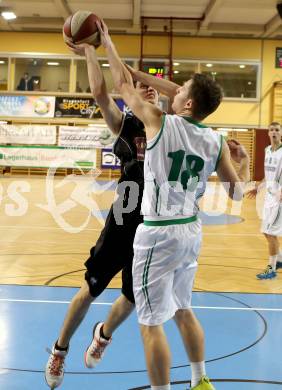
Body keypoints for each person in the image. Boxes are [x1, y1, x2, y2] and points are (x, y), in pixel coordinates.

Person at [97, 19, 250, 390]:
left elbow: (121, 87)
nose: (173, 91)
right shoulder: (216, 140)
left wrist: (106, 41)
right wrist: (242, 164)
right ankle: (200, 380)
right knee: (183, 310)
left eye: (180, 90)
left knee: (150, 324)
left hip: (158, 234)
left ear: (189, 103)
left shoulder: (159, 123)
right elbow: (237, 195)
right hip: (191, 233)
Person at [45, 42, 159, 389]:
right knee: (90, 288)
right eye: (141, 85)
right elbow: (98, 92)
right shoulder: (124, 125)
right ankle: (59, 351)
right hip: (123, 219)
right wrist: (90, 50)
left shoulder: (170, 128)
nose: (149, 88)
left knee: (132, 297)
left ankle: (103, 336)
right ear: (131, 94)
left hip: (154, 226)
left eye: (154, 86)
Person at [247, 122, 282, 279]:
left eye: (277, 130)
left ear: (281, 133)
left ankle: (271, 268)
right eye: (271, 130)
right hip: (268, 197)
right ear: (268, 133)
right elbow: (268, 175)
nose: (274, 132)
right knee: (266, 232)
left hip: (278, 199)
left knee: (271, 233)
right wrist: (258, 187)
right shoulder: (267, 150)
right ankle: (279, 258)